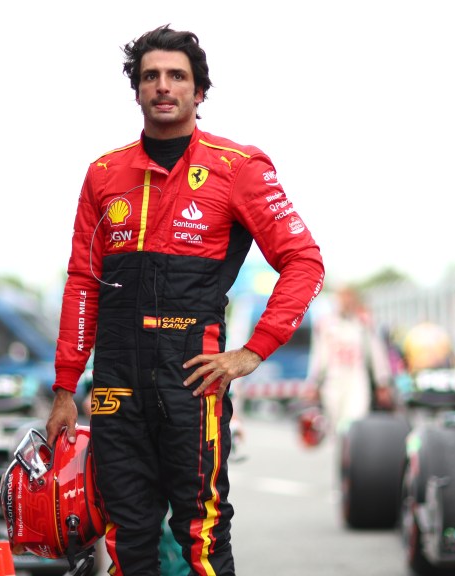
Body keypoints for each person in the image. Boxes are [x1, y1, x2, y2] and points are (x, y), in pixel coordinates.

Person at [43, 24, 324, 575]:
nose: (163, 86)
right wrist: (63, 387)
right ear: (137, 89)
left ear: (199, 92)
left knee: (202, 539)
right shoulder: (103, 175)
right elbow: (82, 282)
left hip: (192, 382)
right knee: (125, 539)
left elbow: (304, 262)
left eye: (177, 76)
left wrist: (252, 352)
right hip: (115, 385)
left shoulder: (239, 168)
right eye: (151, 76)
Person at [306, 286, 392, 436]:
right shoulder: (326, 324)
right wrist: (313, 383)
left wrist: (382, 382)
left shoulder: (363, 324)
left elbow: (376, 354)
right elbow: (319, 356)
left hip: (357, 379)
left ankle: (353, 455)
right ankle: (341, 455)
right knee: (335, 424)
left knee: (356, 421)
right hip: (333, 381)